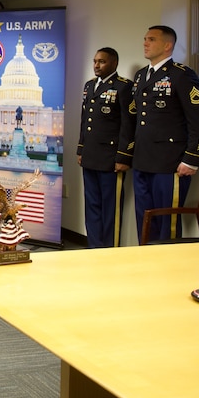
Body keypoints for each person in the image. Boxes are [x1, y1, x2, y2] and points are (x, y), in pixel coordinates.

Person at [129, 25, 199, 242]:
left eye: (152, 39)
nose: (145, 43)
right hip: (142, 159)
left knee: (168, 222)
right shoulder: (141, 76)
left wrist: (192, 159)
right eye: (145, 38)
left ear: (167, 45)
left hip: (170, 163)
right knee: (144, 219)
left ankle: (169, 270)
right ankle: (147, 264)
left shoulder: (181, 75)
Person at [76, 47, 134, 248]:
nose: (96, 65)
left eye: (101, 62)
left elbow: (128, 124)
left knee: (111, 208)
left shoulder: (124, 87)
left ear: (114, 63)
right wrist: (81, 149)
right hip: (91, 155)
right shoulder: (90, 85)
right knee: (91, 205)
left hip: (111, 158)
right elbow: (85, 121)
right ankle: (94, 247)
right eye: (94, 61)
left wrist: (124, 156)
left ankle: (110, 248)